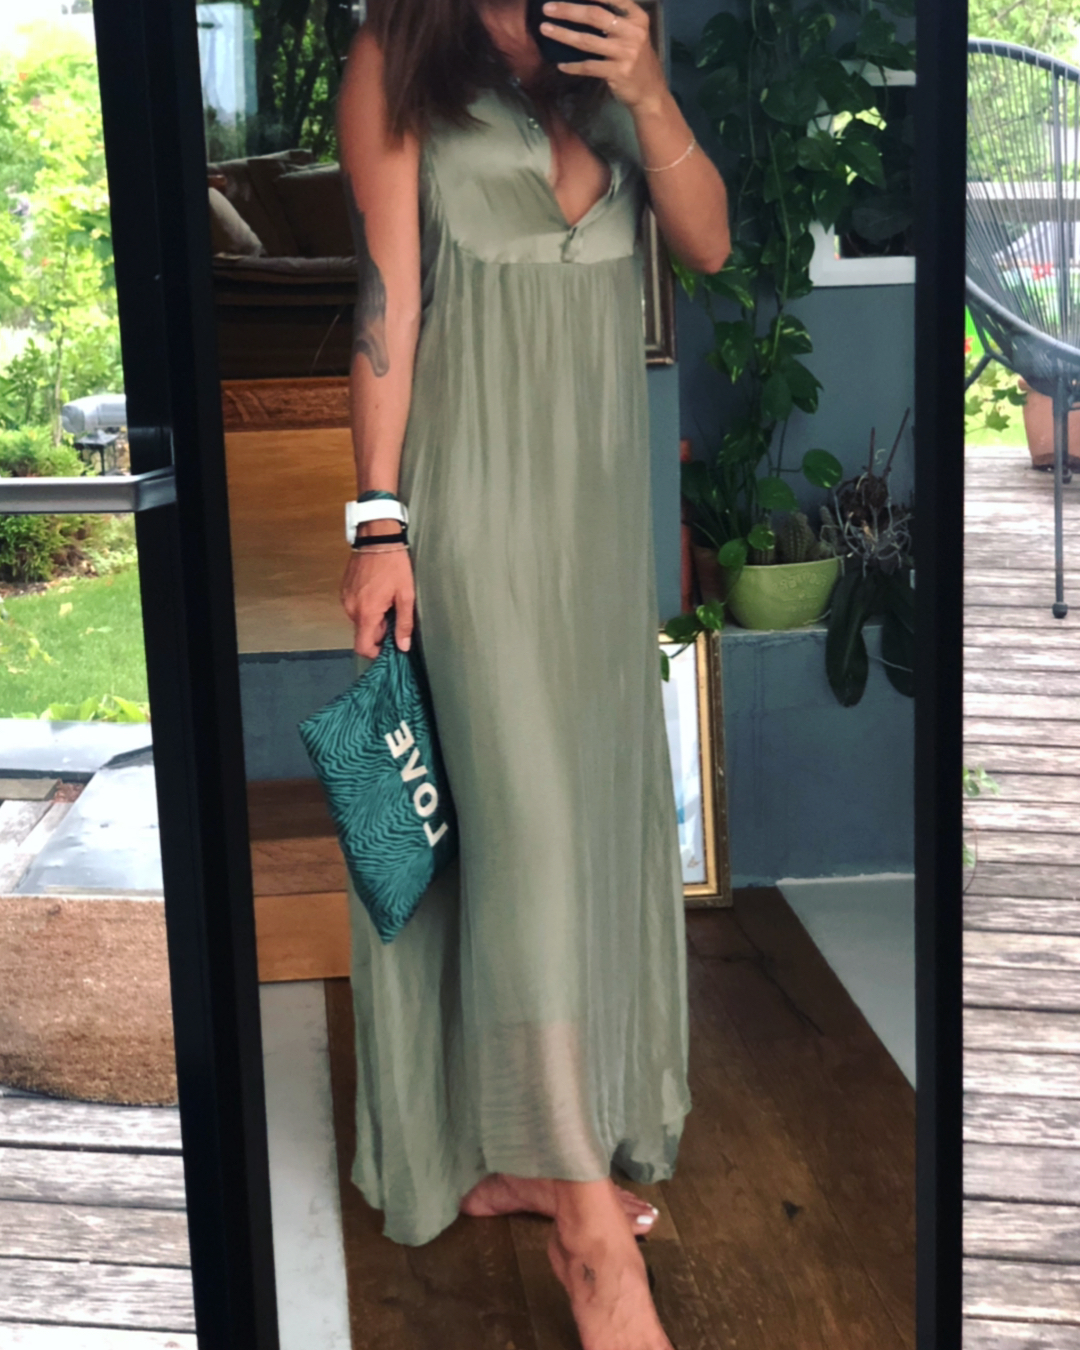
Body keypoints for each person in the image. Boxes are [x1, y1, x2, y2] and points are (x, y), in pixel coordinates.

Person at [335, 2, 730, 1345]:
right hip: (476, 518)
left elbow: (709, 241)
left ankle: (518, 1151)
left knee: (576, 837)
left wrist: (649, 89)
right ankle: (586, 1237)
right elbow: (387, 304)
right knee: (536, 842)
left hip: (596, 525)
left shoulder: (604, 48)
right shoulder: (399, 55)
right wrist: (377, 523)